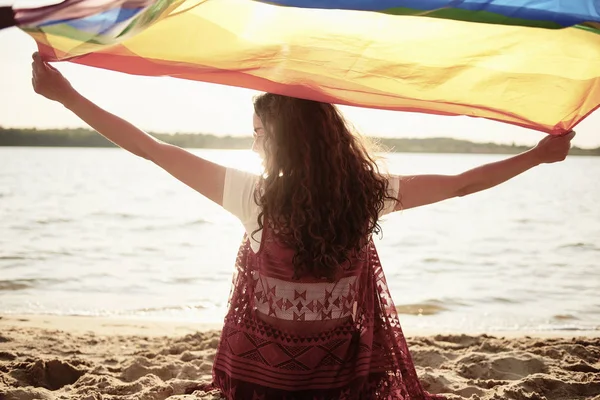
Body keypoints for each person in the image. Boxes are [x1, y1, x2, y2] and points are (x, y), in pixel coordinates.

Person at [31, 52, 574, 400]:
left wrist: (68, 96)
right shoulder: (367, 193)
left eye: (258, 131)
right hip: (342, 377)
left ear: (279, 138)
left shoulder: (253, 195)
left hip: (264, 379)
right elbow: (461, 183)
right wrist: (535, 156)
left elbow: (151, 149)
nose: (252, 142)